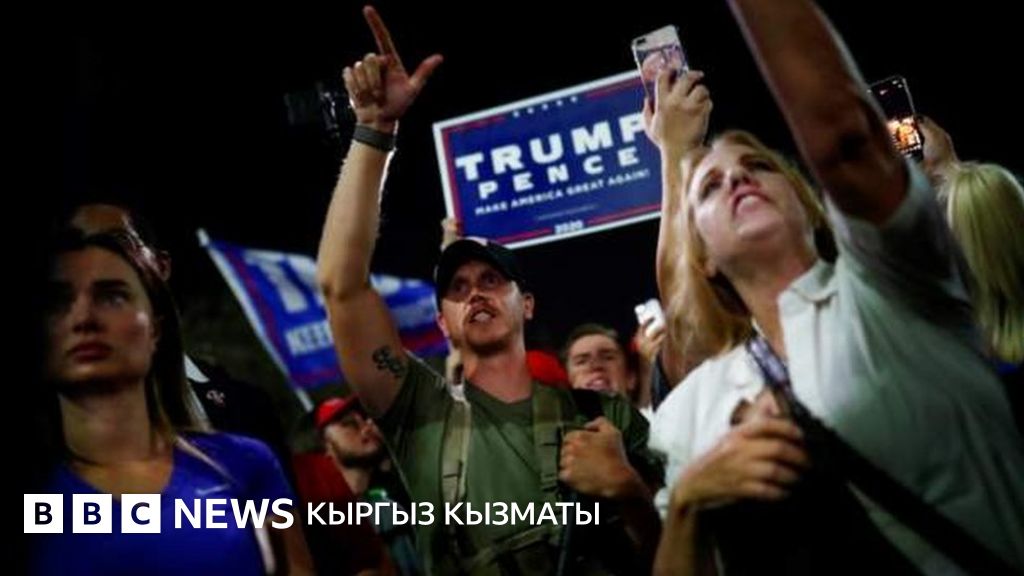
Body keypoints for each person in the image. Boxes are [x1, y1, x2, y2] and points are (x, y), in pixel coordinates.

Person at [648, 0, 1024, 573]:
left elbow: (845, 140)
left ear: (808, 203)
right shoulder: (692, 412)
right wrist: (687, 507)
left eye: (759, 165)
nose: (737, 176)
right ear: (703, 259)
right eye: (710, 187)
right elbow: (683, 310)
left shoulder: (894, 291)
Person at [315, 6, 663, 574]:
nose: (474, 292)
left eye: (491, 280)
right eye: (456, 288)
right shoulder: (417, 411)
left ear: (527, 304)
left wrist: (628, 490)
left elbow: (679, 556)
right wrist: (375, 132)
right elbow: (341, 285)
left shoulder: (607, 419)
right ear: (443, 322)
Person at [32, 229, 313, 575]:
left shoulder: (245, 462)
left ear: (155, 328)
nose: (84, 318)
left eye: (113, 297)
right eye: (56, 302)